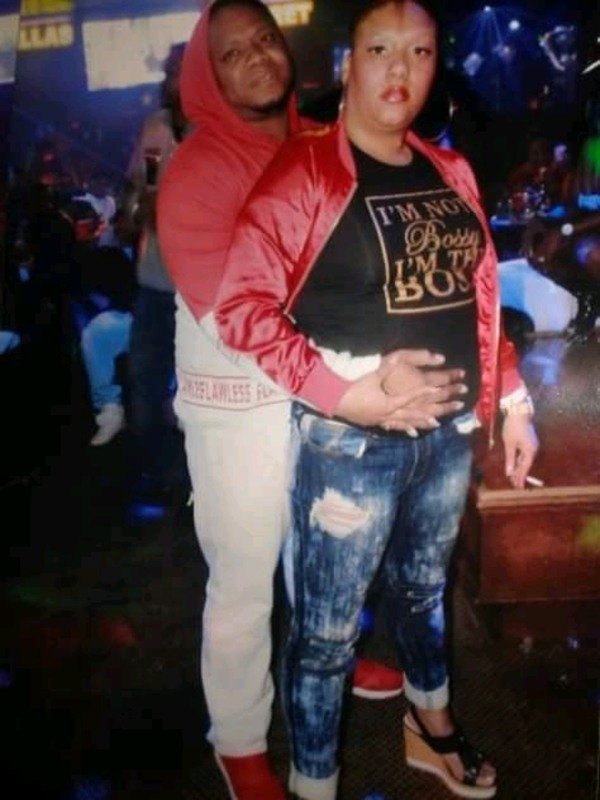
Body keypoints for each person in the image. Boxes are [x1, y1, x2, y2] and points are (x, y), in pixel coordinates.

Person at [214, 2, 539, 798]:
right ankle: (314, 784)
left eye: (420, 52)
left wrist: (514, 399)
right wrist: (343, 393)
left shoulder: (450, 169)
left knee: (425, 595)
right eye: (381, 49)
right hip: (348, 447)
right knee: (327, 636)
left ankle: (431, 728)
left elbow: (476, 295)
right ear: (348, 65)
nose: (400, 69)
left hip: (448, 436)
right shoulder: (303, 171)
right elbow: (241, 309)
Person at [157, 2, 466, 797]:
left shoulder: (315, 144)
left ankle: (325, 651)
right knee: (244, 576)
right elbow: (233, 319)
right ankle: (238, 739)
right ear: (208, 75)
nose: (257, 56)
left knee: (316, 555)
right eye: (233, 53)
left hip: (320, 397)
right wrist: (357, 380)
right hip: (240, 408)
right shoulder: (197, 170)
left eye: (265, 38)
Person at [123, 42, 190, 502]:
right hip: (156, 287)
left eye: (190, 69)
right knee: (145, 397)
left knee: (205, 402)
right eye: (174, 71)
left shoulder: (223, 130)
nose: (180, 79)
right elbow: (142, 186)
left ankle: (202, 479)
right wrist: (138, 208)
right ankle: (174, 477)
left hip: (209, 296)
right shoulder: (157, 128)